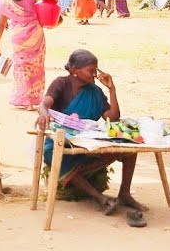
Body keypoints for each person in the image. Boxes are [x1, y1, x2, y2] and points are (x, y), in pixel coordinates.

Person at [36, 50, 146, 226]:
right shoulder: (61, 84)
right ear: (75, 70)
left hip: (89, 142)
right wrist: (43, 114)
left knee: (129, 150)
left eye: (96, 70)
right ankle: (99, 198)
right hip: (61, 141)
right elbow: (44, 104)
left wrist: (112, 89)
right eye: (91, 70)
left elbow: (113, 118)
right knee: (58, 155)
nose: (95, 74)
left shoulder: (95, 91)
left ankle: (124, 193)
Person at [0, 0, 46, 109]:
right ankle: (35, 98)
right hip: (36, 34)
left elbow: (1, 24)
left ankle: (25, 99)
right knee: (36, 67)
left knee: (22, 67)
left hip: (19, 37)